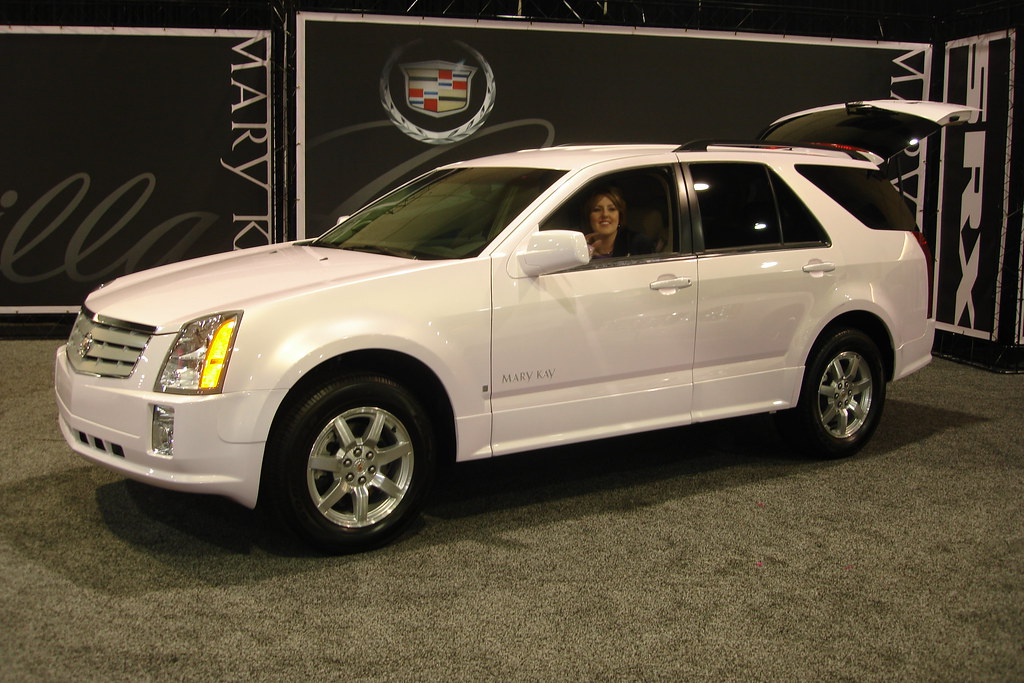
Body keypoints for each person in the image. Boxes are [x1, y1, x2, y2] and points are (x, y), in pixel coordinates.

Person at [581, 187, 653, 258]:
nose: (605, 214)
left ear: (620, 215)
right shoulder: (579, 249)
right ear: (588, 216)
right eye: (597, 210)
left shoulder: (638, 244)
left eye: (611, 209)